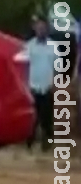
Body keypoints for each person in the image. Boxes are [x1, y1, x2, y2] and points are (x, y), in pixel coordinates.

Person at [23, 14, 56, 152]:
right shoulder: (29, 46)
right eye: (38, 27)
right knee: (32, 117)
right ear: (35, 28)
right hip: (33, 87)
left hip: (47, 87)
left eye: (43, 27)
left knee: (46, 117)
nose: (41, 29)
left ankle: (47, 142)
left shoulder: (53, 47)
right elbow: (24, 66)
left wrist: (55, 83)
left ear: (47, 29)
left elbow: (57, 67)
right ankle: (28, 143)